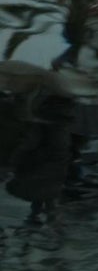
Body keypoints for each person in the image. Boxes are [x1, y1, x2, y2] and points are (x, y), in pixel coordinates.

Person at [5, 88, 76, 223]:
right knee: (48, 191)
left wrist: (16, 158)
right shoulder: (64, 123)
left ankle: (38, 215)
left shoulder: (43, 123)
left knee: (40, 189)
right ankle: (50, 217)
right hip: (57, 162)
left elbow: (30, 142)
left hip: (43, 162)